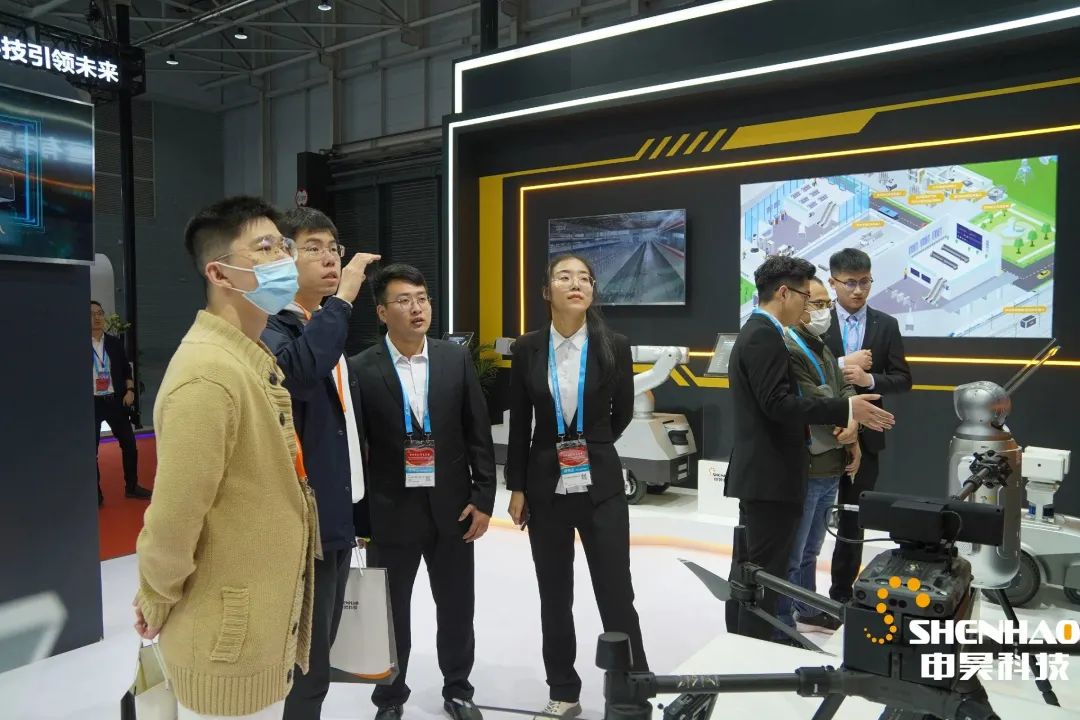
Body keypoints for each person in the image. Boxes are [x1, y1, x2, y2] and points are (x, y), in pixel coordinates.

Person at [133, 197, 318, 720]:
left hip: (254, 627)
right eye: (265, 247)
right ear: (219, 273)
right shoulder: (208, 376)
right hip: (225, 638)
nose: (285, 259)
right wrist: (155, 595)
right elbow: (173, 517)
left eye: (284, 246)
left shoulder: (246, 359)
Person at [348, 263, 496, 720]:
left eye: (422, 298)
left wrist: (483, 497)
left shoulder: (453, 359)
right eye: (404, 301)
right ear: (381, 312)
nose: (417, 308)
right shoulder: (361, 368)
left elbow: (477, 431)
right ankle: (390, 698)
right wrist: (359, 518)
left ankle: (459, 690)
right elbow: (355, 448)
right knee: (391, 614)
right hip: (390, 512)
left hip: (453, 508)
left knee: (457, 607)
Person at [724, 255, 894, 643]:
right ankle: (762, 642)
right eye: (805, 297)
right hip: (770, 475)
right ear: (784, 293)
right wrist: (846, 408)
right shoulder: (765, 336)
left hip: (768, 474)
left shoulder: (759, 332)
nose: (808, 307)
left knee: (756, 567)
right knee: (764, 571)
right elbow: (778, 404)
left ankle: (750, 638)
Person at [505, 254, 646, 719]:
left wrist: (593, 445)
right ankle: (563, 689)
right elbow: (520, 422)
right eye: (565, 277)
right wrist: (517, 486)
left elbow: (623, 412)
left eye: (585, 278)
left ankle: (632, 689)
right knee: (554, 595)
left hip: (601, 486)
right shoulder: (527, 348)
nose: (576, 284)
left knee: (616, 592)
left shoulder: (614, 345)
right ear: (547, 291)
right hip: (545, 487)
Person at [260, 207, 381, 720]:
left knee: (322, 643)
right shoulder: (271, 327)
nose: (330, 258)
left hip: (336, 511)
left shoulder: (320, 327)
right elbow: (300, 375)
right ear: (282, 256)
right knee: (308, 655)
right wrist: (345, 299)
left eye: (334, 247)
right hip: (300, 520)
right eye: (313, 247)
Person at [823, 248, 912, 604]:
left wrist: (869, 379)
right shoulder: (814, 320)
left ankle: (841, 595)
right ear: (833, 282)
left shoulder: (885, 324)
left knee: (852, 520)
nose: (858, 290)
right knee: (809, 519)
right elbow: (801, 368)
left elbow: (903, 379)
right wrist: (844, 363)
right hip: (821, 432)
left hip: (868, 436)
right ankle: (798, 594)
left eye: (865, 282)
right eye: (850, 283)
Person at [775, 277, 860, 634]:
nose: (826, 311)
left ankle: (807, 607)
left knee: (811, 549)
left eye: (828, 304)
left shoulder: (822, 346)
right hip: (808, 467)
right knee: (793, 554)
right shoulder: (788, 348)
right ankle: (782, 620)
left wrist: (853, 425)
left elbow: (845, 389)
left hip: (831, 465)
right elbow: (815, 398)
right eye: (819, 304)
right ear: (799, 304)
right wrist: (845, 412)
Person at [91, 300, 151, 505]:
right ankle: (95, 494)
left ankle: (132, 486)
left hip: (115, 401)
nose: (97, 317)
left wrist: (130, 390)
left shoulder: (114, 343)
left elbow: (126, 370)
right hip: (92, 404)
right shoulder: (77, 344)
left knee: (130, 445)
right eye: (92, 314)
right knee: (91, 452)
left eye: (100, 313)